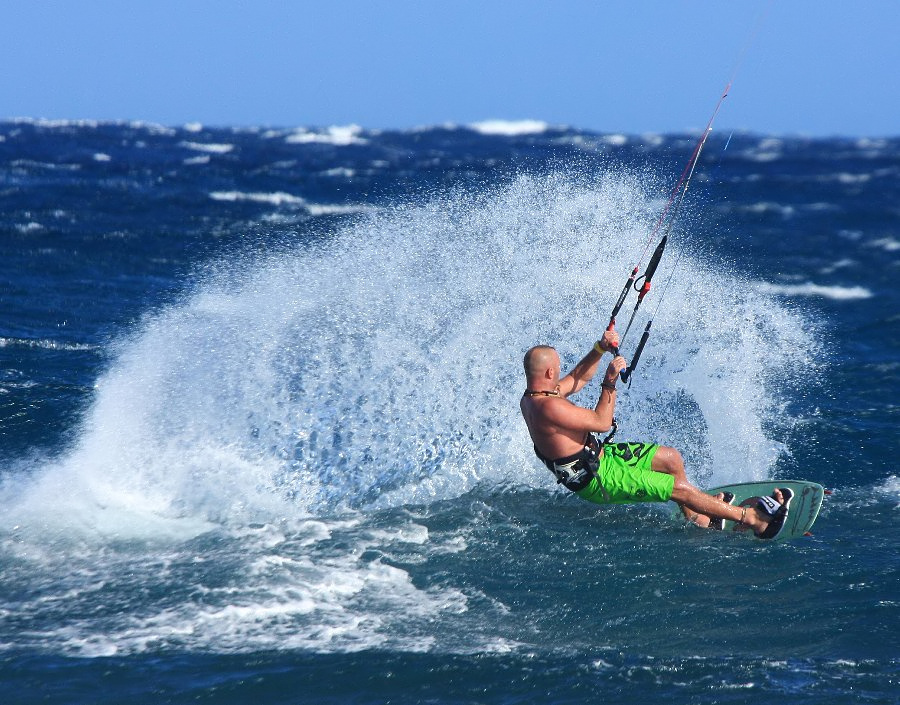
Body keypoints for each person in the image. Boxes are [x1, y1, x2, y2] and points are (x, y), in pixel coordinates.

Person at [520, 331, 792, 539]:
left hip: (602, 457)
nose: (562, 371)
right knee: (677, 489)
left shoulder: (537, 396)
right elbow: (602, 422)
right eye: (558, 366)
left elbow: (578, 377)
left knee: (671, 459)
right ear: (549, 372)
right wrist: (610, 381)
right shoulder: (549, 407)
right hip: (598, 478)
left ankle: (699, 520)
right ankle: (754, 519)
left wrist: (599, 349)